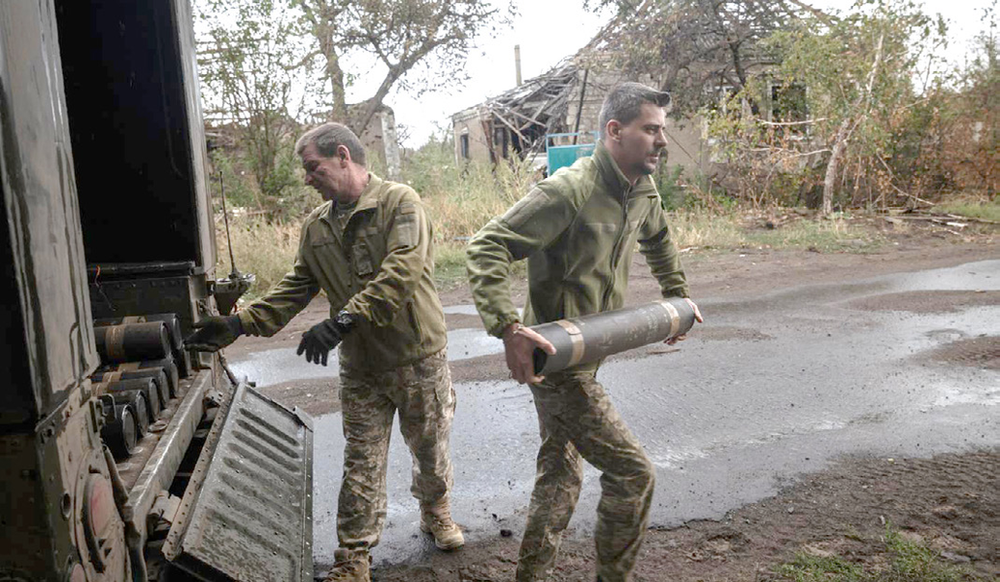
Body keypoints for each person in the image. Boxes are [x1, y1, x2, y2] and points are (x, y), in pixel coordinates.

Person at [186, 122, 463, 582]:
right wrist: (238, 323)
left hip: (418, 357)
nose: (306, 177)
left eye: (312, 167)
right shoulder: (316, 228)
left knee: (431, 452)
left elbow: (402, 272)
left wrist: (342, 321)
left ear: (342, 156)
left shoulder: (400, 203)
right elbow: (297, 286)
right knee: (361, 462)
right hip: (362, 367)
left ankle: (436, 511)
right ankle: (353, 559)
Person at [466, 82, 703, 582]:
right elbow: (486, 246)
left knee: (560, 473)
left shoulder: (640, 186)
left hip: (590, 351)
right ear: (615, 131)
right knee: (633, 475)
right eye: (651, 130)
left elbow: (658, 237)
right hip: (557, 362)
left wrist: (678, 296)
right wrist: (508, 328)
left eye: (663, 130)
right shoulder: (568, 190)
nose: (662, 141)